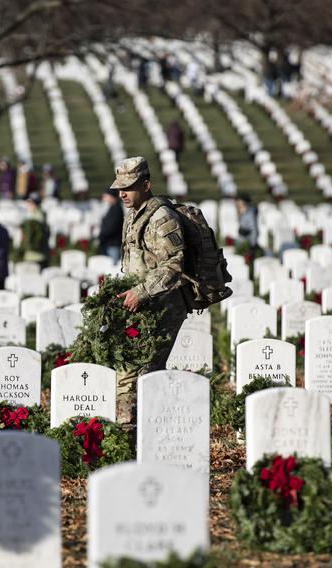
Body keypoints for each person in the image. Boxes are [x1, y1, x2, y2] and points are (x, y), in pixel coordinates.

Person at [113, 156, 188, 428]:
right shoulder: (134, 214)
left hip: (162, 307)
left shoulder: (161, 217)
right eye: (119, 187)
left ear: (146, 184)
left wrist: (141, 293)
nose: (122, 193)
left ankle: (144, 437)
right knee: (128, 372)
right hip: (140, 306)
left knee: (142, 374)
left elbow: (174, 265)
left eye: (128, 187)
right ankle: (129, 436)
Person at [97, 186, 124, 263]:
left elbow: (111, 227)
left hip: (113, 244)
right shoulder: (113, 208)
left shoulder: (116, 209)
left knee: (112, 268)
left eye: (106, 196)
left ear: (111, 196)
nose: (103, 198)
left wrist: (101, 236)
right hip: (109, 243)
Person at [22, 194, 49, 268]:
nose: (28, 205)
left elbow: (34, 236)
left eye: (30, 203)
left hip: (35, 255)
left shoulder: (37, 217)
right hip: (39, 254)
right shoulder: (38, 214)